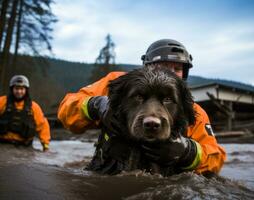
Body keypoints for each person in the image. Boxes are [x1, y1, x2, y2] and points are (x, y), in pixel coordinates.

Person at [58, 39, 226, 175]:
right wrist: (95, 105)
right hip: (108, 170)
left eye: (177, 68)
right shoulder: (118, 84)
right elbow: (66, 111)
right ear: (147, 67)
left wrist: (187, 153)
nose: (170, 73)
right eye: (163, 66)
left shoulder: (193, 110)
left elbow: (215, 160)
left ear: (184, 74)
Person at [0, 75, 50, 151]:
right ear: (12, 89)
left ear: (26, 90)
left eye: (22, 89)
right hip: (3, 144)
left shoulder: (34, 107)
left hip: (25, 147)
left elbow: (42, 126)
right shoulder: (2, 102)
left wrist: (45, 145)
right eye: (16, 88)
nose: (19, 91)